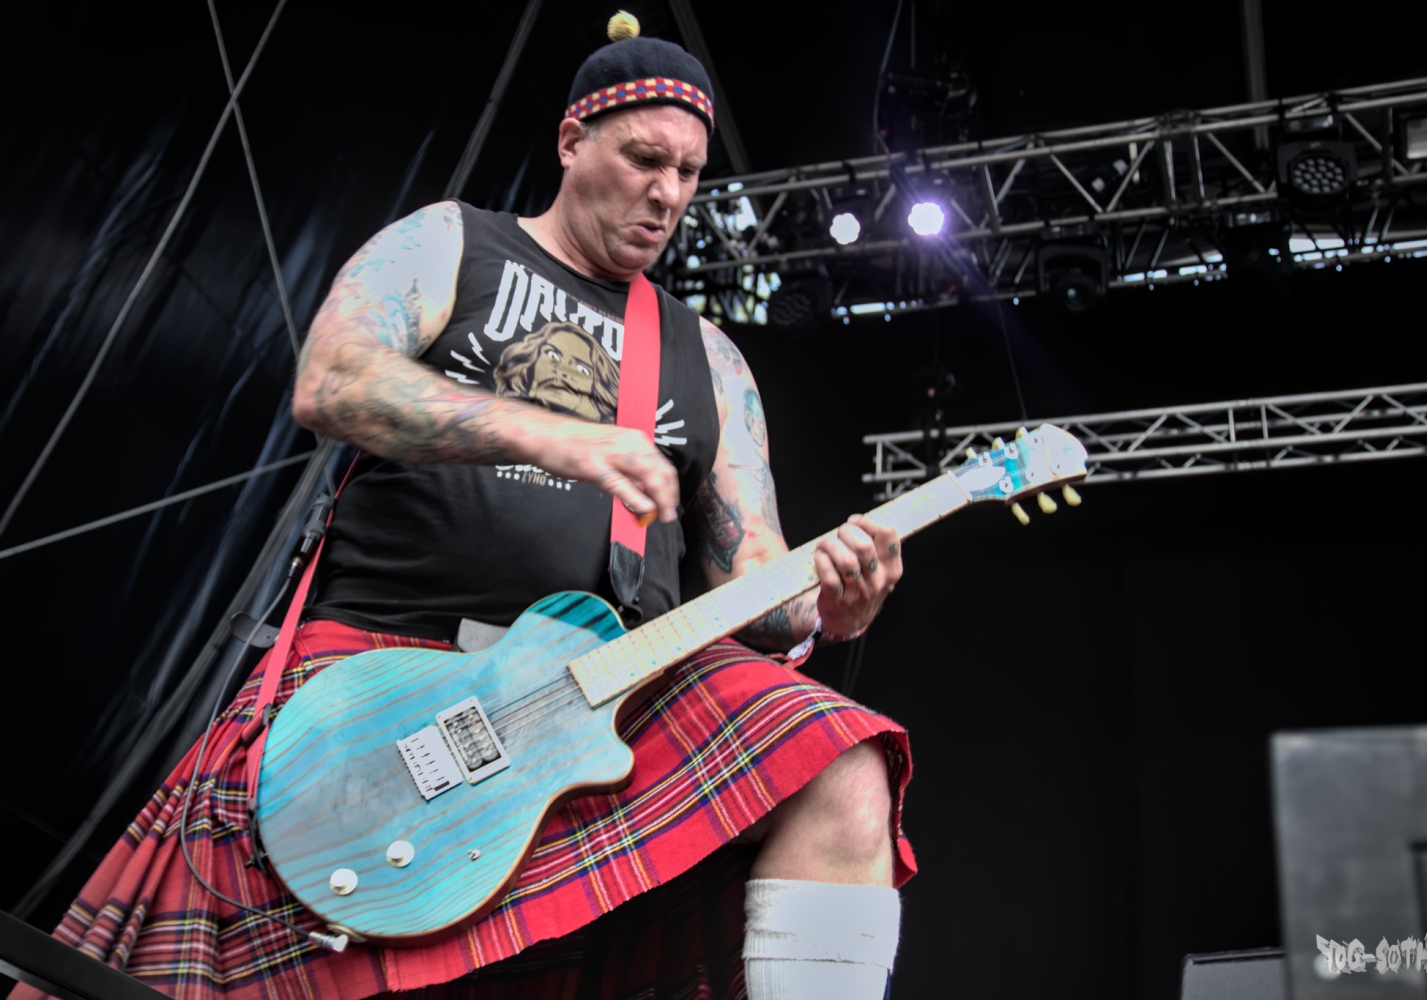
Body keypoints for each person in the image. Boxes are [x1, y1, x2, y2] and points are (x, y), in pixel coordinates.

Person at [15, 16, 915, 1000]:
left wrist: (829, 602)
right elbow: (332, 380)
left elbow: (759, 576)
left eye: (690, 171)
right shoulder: (453, 242)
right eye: (643, 158)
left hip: (597, 718)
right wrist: (553, 436)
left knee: (843, 763)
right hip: (380, 676)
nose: (668, 193)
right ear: (572, 140)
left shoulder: (710, 357)